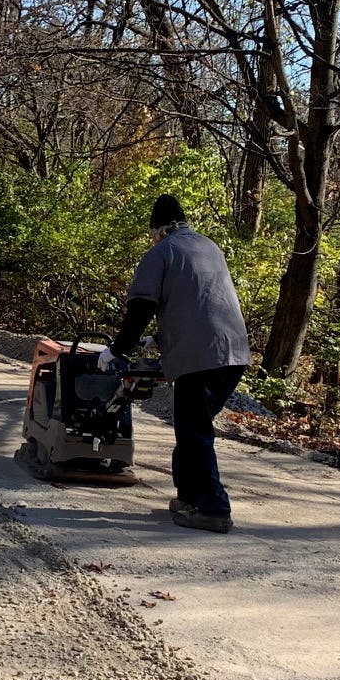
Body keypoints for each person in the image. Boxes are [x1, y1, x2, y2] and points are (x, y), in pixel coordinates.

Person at [104, 193, 252, 532]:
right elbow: (202, 302)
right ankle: (188, 496)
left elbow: (141, 306)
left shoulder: (161, 253)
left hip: (201, 357)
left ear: (158, 229)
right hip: (233, 352)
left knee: (194, 430)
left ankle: (213, 507)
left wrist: (118, 350)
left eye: (153, 232)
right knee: (191, 425)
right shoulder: (208, 247)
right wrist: (157, 339)